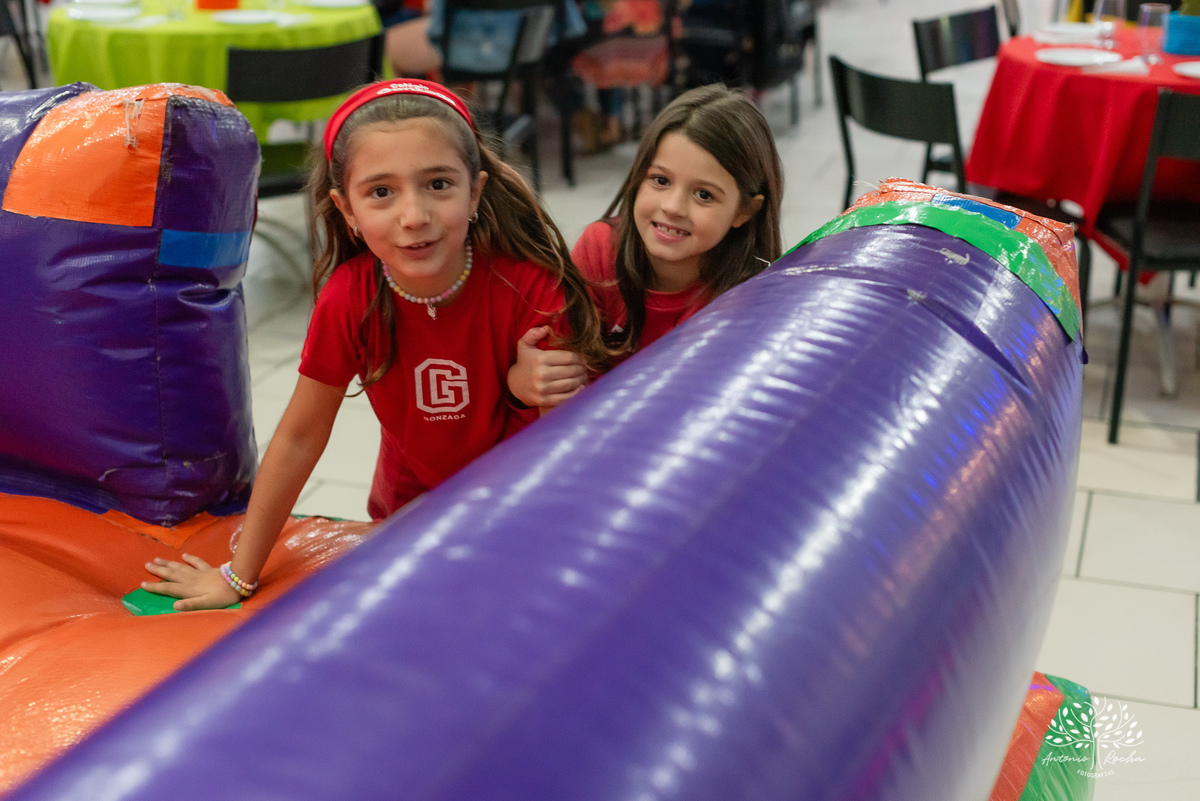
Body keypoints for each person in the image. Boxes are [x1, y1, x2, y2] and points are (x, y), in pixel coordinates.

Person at [142, 79, 604, 611]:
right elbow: (298, 439)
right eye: (381, 192)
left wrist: (529, 392)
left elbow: (568, 453)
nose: (414, 216)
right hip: (409, 515)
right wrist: (239, 576)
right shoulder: (350, 299)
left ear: (475, 192)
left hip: (521, 519)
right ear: (347, 211)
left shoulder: (532, 286)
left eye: (438, 184)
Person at [508, 83, 783, 409]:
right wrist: (523, 380)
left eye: (704, 195)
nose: (673, 207)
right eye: (661, 180)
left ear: (744, 211)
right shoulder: (600, 251)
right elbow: (555, 378)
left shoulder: (748, 296)